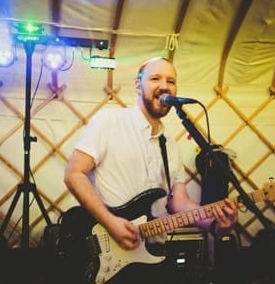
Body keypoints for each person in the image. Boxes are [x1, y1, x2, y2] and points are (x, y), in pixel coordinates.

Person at [63, 57, 238, 282]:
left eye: (171, 81)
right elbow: (74, 173)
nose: (164, 86)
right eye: (155, 78)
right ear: (138, 85)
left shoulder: (170, 146)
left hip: (152, 255)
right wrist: (110, 221)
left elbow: (179, 203)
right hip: (111, 253)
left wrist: (215, 223)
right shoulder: (109, 122)